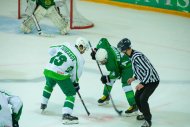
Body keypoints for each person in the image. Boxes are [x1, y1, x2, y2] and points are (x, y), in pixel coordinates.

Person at [40, 37, 89, 124]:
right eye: (84, 48)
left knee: (49, 85)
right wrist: (75, 84)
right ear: (81, 47)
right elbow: (76, 75)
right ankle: (66, 115)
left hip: (48, 69)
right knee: (71, 93)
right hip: (60, 74)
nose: (84, 51)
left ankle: (43, 104)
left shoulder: (65, 45)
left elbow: (50, 50)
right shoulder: (80, 59)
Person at [117, 38, 160, 127]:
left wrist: (142, 83)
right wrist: (134, 78)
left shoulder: (137, 56)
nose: (121, 51)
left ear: (125, 49)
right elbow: (140, 70)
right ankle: (144, 114)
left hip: (152, 81)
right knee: (137, 97)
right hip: (146, 80)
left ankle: (148, 120)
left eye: (122, 49)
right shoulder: (132, 56)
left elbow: (149, 70)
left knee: (143, 99)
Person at [90, 38, 137, 116]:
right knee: (110, 80)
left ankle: (134, 105)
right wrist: (95, 50)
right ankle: (106, 95)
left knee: (126, 85)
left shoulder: (110, 64)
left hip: (127, 67)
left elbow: (116, 74)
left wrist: (107, 77)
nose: (101, 63)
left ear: (106, 58)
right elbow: (103, 40)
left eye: (102, 61)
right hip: (119, 64)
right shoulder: (105, 48)